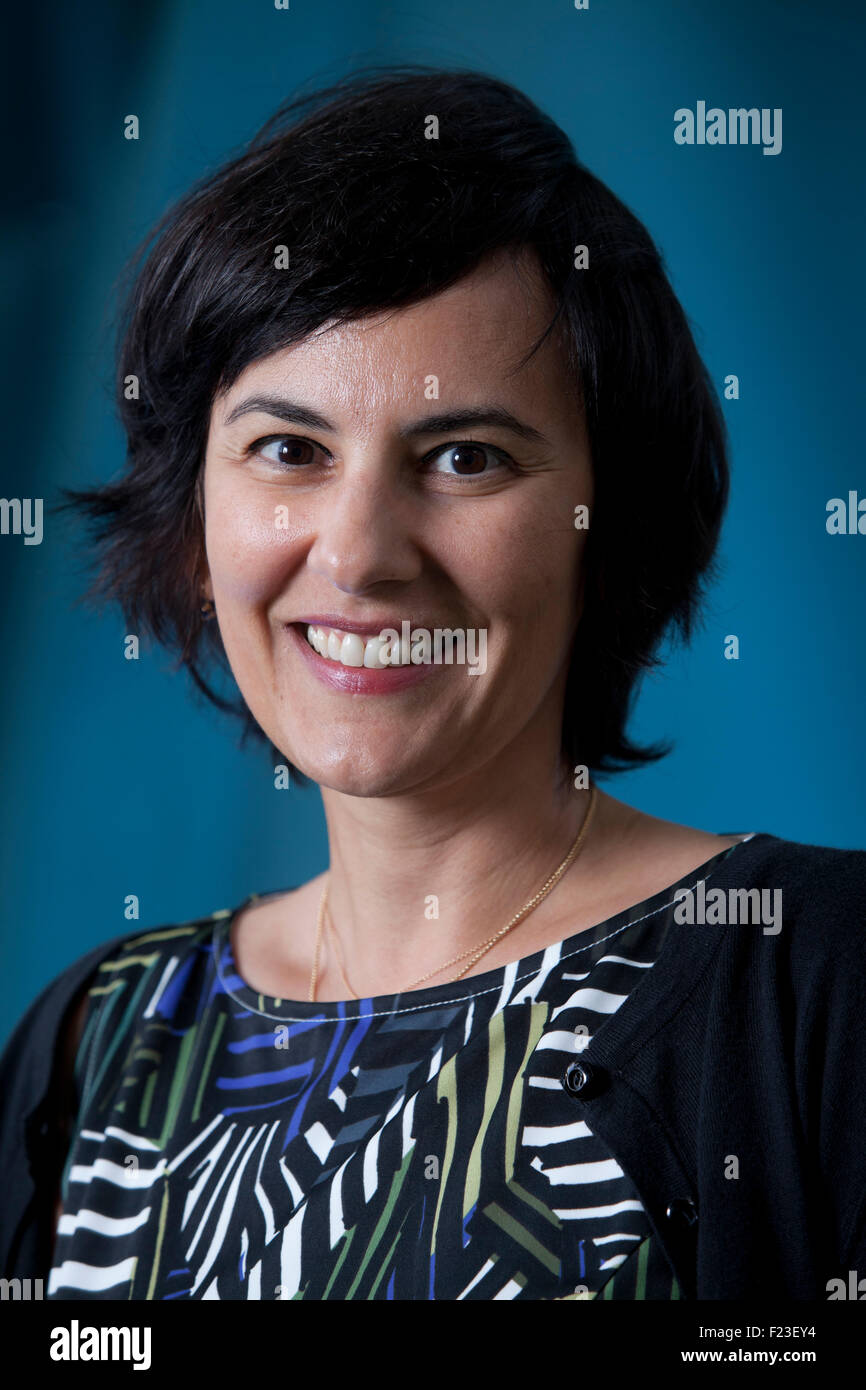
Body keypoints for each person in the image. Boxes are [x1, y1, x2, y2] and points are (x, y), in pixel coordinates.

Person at [1, 66, 864, 1302]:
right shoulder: (93, 1046)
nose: (356, 553)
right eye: (287, 449)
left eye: (463, 456)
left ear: (603, 519)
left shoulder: (813, 983)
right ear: (195, 517)